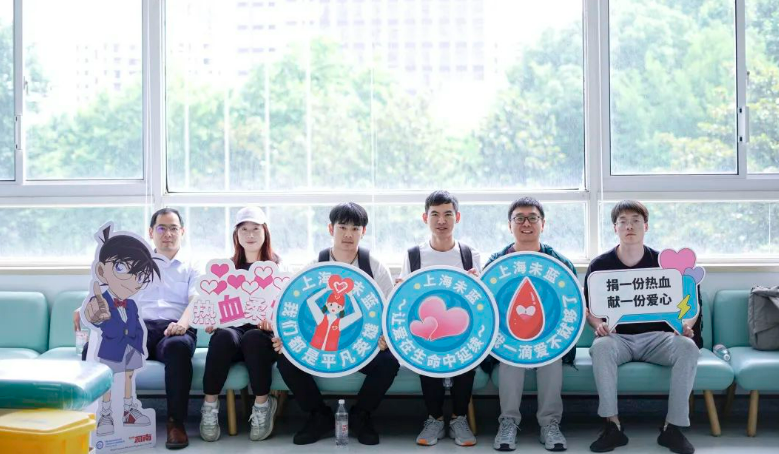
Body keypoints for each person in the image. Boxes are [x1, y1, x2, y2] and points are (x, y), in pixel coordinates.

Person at [272, 202, 399, 446]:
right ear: (331, 229)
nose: (349, 234)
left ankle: (361, 415)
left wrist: (385, 338)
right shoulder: (315, 266)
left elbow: (388, 313)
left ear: (363, 231)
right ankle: (318, 415)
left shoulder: (374, 267)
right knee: (286, 360)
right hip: (320, 347)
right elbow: (293, 308)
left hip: (361, 347)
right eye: (343, 227)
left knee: (388, 361)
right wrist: (282, 338)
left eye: (355, 228)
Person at [76, 208, 202, 449]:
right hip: (137, 326)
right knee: (93, 348)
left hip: (174, 328)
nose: (168, 234)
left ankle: (175, 423)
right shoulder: (135, 261)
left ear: (182, 232)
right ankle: (95, 418)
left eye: (173, 228)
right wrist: (84, 307)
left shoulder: (192, 265)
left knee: (178, 348)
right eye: (162, 228)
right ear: (151, 232)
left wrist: (182, 325)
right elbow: (113, 287)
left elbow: (196, 300)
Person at [585, 200, 701, 454]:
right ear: (615, 228)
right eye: (623, 221)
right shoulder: (599, 266)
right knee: (600, 347)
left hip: (659, 338)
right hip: (618, 339)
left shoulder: (665, 263)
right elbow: (590, 309)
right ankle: (612, 425)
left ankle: (672, 428)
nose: (629, 226)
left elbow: (690, 303)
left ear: (646, 226)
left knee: (688, 347)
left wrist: (685, 325)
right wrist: (599, 325)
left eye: (636, 221)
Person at [485, 197, 575, 452]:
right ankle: (508, 423)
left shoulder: (559, 262)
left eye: (533, 218)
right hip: (508, 339)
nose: (526, 223)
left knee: (551, 357)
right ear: (510, 225)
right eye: (519, 218)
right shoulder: (496, 262)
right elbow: (486, 307)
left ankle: (550, 424)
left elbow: (572, 306)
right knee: (511, 357)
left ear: (542, 224)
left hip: (549, 337)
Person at [398, 190, 482, 447]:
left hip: (462, 330)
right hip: (425, 330)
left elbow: (481, 304)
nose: (442, 220)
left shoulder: (470, 254)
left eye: (448, 214)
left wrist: (477, 283)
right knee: (427, 350)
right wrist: (400, 288)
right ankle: (434, 418)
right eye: (435, 214)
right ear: (425, 218)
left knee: (468, 354)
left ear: (458, 217)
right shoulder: (414, 255)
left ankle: (458, 418)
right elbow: (404, 300)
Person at [197, 207, 282, 442]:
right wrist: (213, 320)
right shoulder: (226, 269)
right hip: (234, 333)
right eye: (244, 229)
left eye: (255, 229)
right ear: (236, 234)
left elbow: (287, 308)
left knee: (253, 338)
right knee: (223, 336)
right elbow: (215, 304)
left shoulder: (278, 267)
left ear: (265, 232)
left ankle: (263, 406)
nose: (250, 234)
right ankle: (209, 407)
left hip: (263, 337)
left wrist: (273, 323)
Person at [83, 225, 161, 438]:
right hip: (111, 346)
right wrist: (97, 317)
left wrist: (139, 345)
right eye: (121, 268)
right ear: (101, 271)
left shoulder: (132, 304)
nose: (132, 280)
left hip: (132, 345)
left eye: (140, 275)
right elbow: (93, 316)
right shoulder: (101, 301)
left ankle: (128, 411)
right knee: (108, 379)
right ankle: (105, 413)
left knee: (128, 377)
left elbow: (136, 323)